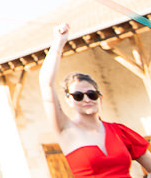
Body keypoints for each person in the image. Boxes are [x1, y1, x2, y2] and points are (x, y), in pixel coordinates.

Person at [39, 23, 151, 177]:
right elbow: (46, 83)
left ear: (100, 97)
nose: (86, 99)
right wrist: (59, 43)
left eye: (92, 94)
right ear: (69, 100)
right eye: (78, 95)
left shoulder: (120, 131)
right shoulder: (65, 129)